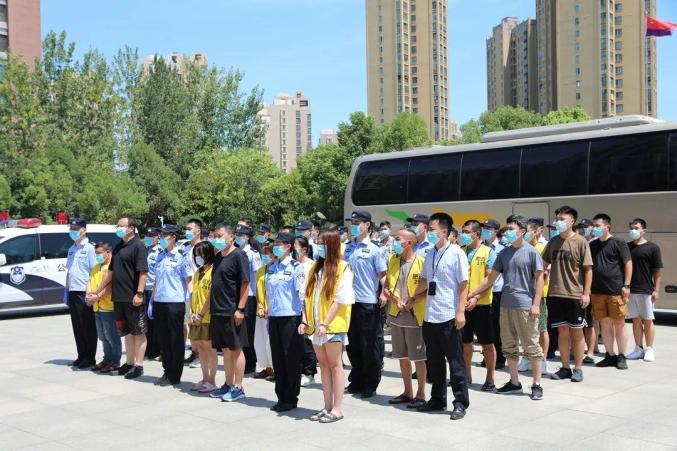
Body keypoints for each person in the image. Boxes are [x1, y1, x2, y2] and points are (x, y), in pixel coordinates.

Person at [470, 215, 545, 400]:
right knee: (509, 345)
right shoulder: (504, 253)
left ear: (522, 231)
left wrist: (536, 304)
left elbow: (540, 279)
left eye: (512, 229)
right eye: (508, 228)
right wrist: (472, 293)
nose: (508, 232)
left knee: (531, 346)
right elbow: (490, 278)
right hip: (506, 306)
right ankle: (514, 382)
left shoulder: (531, 252)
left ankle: (537, 384)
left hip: (525, 306)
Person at [410, 212, 469, 420]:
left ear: (444, 232)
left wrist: (460, 312)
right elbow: (425, 280)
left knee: (455, 361)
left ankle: (460, 402)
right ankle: (437, 399)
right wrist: (412, 296)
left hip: (449, 315)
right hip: (430, 314)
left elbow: (463, 284)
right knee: (434, 361)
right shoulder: (430, 253)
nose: (429, 232)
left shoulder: (456, 253)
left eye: (432, 229)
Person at [300, 227, 355, 423]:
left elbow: (340, 300)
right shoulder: (315, 268)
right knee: (323, 366)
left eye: (322, 244)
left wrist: (325, 323)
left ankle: (337, 408)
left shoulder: (343, 268)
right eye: (317, 243)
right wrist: (305, 320)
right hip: (315, 327)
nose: (318, 247)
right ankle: (327, 406)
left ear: (331, 245)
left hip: (332, 327)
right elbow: (305, 296)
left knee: (335, 365)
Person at [543, 206, 593, 383]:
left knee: (576, 332)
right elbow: (543, 263)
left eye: (562, 219)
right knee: (562, 332)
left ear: (572, 221)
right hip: (555, 294)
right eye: (557, 218)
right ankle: (565, 367)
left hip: (575, 295)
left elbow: (588, 269)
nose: (558, 222)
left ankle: (578, 368)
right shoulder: (553, 241)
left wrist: (586, 293)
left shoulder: (581, 241)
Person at [381, 228, 427, 409]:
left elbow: (429, 290)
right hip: (396, 314)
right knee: (402, 356)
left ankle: (421, 394)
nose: (394, 242)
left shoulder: (421, 263)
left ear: (409, 243)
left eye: (398, 239)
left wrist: (413, 300)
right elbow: (386, 286)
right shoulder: (393, 260)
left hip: (415, 316)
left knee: (418, 357)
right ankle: (407, 392)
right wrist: (394, 299)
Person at [344, 210, 388, 399]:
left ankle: (371, 382)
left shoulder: (375, 249)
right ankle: (357, 380)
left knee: (369, 345)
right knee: (352, 344)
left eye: (357, 223)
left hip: (367, 302)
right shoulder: (347, 248)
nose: (353, 226)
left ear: (367, 225)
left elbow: (383, 275)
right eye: (352, 223)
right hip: (348, 301)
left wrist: (384, 293)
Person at [208, 224, 250, 402]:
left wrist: (240, 309)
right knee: (225, 349)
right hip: (218, 310)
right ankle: (228, 383)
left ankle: (238, 387)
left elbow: (245, 284)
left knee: (236, 349)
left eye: (220, 235)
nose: (217, 239)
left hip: (232, 310)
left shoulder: (239, 255)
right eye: (215, 236)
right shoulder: (218, 256)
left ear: (231, 237)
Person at [265, 232, 306, 412]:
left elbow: (302, 295)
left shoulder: (296, 267)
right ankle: (281, 396)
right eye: (274, 244)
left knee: (291, 358)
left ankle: (290, 397)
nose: (275, 247)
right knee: (278, 358)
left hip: (291, 318)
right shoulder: (272, 267)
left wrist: (304, 320)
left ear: (288, 246)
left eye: (278, 244)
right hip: (274, 317)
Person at [589, 214, 632, 370]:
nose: (594, 228)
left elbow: (628, 263)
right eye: (594, 225)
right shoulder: (592, 245)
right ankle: (610, 355)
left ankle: (621, 356)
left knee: (619, 323)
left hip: (615, 290)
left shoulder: (618, 243)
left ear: (607, 227)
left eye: (598, 226)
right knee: (604, 324)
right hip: (597, 291)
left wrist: (626, 285)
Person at [458, 220, 497, 391]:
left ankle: (490, 378)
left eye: (467, 232)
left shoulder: (488, 252)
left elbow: (490, 279)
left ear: (477, 234)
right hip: (462, 305)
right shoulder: (460, 251)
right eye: (463, 231)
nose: (464, 235)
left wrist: (476, 296)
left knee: (487, 344)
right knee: (465, 343)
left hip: (482, 305)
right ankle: (466, 376)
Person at [150, 224, 190, 386]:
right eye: (160, 235)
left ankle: (175, 374)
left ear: (173, 237)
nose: (161, 238)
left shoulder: (181, 256)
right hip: (160, 301)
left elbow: (189, 281)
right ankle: (167, 371)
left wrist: (192, 303)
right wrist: (152, 300)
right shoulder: (160, 255)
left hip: (175, 303)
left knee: (175, 340)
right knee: (163, 339)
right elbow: (156, 280)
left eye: (165, 235)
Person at [626, 218, 663, 362]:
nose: (633, 231)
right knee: (635, 320)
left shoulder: (653, 248)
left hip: (646, 289)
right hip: (631, 290)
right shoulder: (627, 247)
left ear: (644, 230)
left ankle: (649, 349)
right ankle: (638, 349)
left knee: (648, 320)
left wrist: (656, 290)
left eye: (636, 228)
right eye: (631, 228)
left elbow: (657, 271)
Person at [65, 218, 98, 370]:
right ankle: (81, 355)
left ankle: (90, 358)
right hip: (73, 290)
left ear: (84, 230)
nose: (72, 231)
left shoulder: (89, 248)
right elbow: (69, 271)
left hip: (84, 291)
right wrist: (66, 290)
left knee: (87, 325)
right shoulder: (71, 249)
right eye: (71, 228)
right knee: (77, 326)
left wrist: (91, 292)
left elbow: (94, 271)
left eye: (75, 229)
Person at [519, 218, 550, 374]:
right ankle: (526, 357)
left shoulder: (542, 247)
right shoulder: (521, 247)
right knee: (526, 329)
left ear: (537, 231)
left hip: (539, 295)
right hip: (523, 294)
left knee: (541, 328)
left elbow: (544, 273)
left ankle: (542, 360)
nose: (526, 234)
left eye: (529, 231)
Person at [86, 242, 121, 373]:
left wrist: (97, 296)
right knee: (102, 336)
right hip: (97, 307)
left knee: (111, 336)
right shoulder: (96, 267)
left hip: (108, 307)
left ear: (108, 252)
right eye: (96, 253)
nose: (97, 256)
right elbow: (89, 281)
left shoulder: (112, 267)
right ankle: (107, 359)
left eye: (99, 253)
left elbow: (110, 286)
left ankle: (115, 361)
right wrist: (88, 295)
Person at [188, 241, 218, 393]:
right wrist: (192, 311)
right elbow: (194, 294)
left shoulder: (214, 271)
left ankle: (212, 380)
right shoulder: (197, 272)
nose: (197, 258)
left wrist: (200, 313)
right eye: (195, 255)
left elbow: (211, 297)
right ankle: (205, 378)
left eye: (200, 255)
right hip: (196, 316)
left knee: (209, 348)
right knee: (200, 347)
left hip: (207, 317)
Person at [234, 224, 263, 375]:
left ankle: (250, 362)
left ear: (247, 237)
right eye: (236, 234)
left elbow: (258, 277)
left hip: (250, 296)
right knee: (239, 330)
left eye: (241, 235)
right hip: (237, 295)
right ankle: (241, 360)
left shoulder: (253, 253)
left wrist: (260, 300)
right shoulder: (235, 251)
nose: (238, 237)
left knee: (249, 331)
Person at [482, 219, 506, 370]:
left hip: (497, 291)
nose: (485, 230)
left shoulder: (502, 248)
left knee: (497, 327)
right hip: (483, 291)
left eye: (488, 228)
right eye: (484, 227)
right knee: (486, 326)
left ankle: (500, 358)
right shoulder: (481, 247)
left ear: (496, 231)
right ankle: (488, 357)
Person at [295, 236, 318, 387]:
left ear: (304, 249)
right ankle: (300, 370)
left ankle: (309, 373)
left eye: (296, 247)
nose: (294, 250)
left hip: (308, 307)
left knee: (307, 342)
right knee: (297, 342)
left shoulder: (312, 265)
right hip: (295, 307)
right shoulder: (294, 265)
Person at [182, 219, 202, 368]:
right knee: (190, 324)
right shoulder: (186, 248)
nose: (187, 231)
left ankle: (201, 355)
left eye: (190, 229)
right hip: (187, 292)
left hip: (199, 292)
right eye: (186, 229)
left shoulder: (204, 247)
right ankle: (194, 352)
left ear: (198, 231)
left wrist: (195, 292)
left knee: (198, 325)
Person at [253, 245, 275, 381]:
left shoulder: (276, 269)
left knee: (270, 342)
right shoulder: (260, 270)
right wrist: (260, 305)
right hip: (260, 311)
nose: (265, 257)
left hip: (272, 312)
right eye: (263, 254)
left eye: (268, 254)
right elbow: (257, 290)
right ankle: (267, 368)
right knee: (260, 341)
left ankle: (276, 369)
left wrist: (269, 308)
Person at [144, 227, 162, 360]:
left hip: (154, 290)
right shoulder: (146, 249)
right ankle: (148, 347)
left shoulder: (159, 251)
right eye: (147, 235)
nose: (149, 238)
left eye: (152, 235)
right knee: (146, 321)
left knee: (155, 322)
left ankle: (156, 349)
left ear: (157, 237)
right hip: (145, 289)